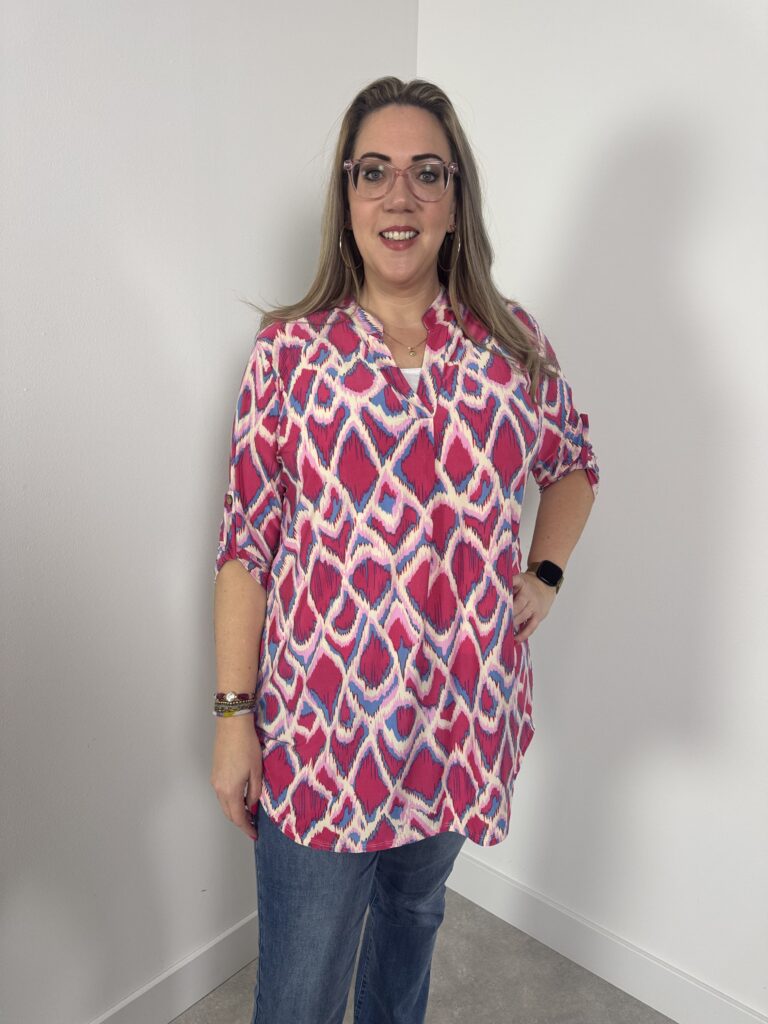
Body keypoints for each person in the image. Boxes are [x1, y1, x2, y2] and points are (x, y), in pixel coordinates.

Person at [210, 76, 599, 1024]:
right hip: (325, 737)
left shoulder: (512, 346)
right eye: (374, 171)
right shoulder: (290, 354)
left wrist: (544, 573)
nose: (400, 195)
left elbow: (572, 464)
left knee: (411, 926)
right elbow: (247, 544)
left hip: (459, 725)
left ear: (456, 202)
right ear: (345, 200)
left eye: (428, 173)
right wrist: (232, 715)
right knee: (300, 991)